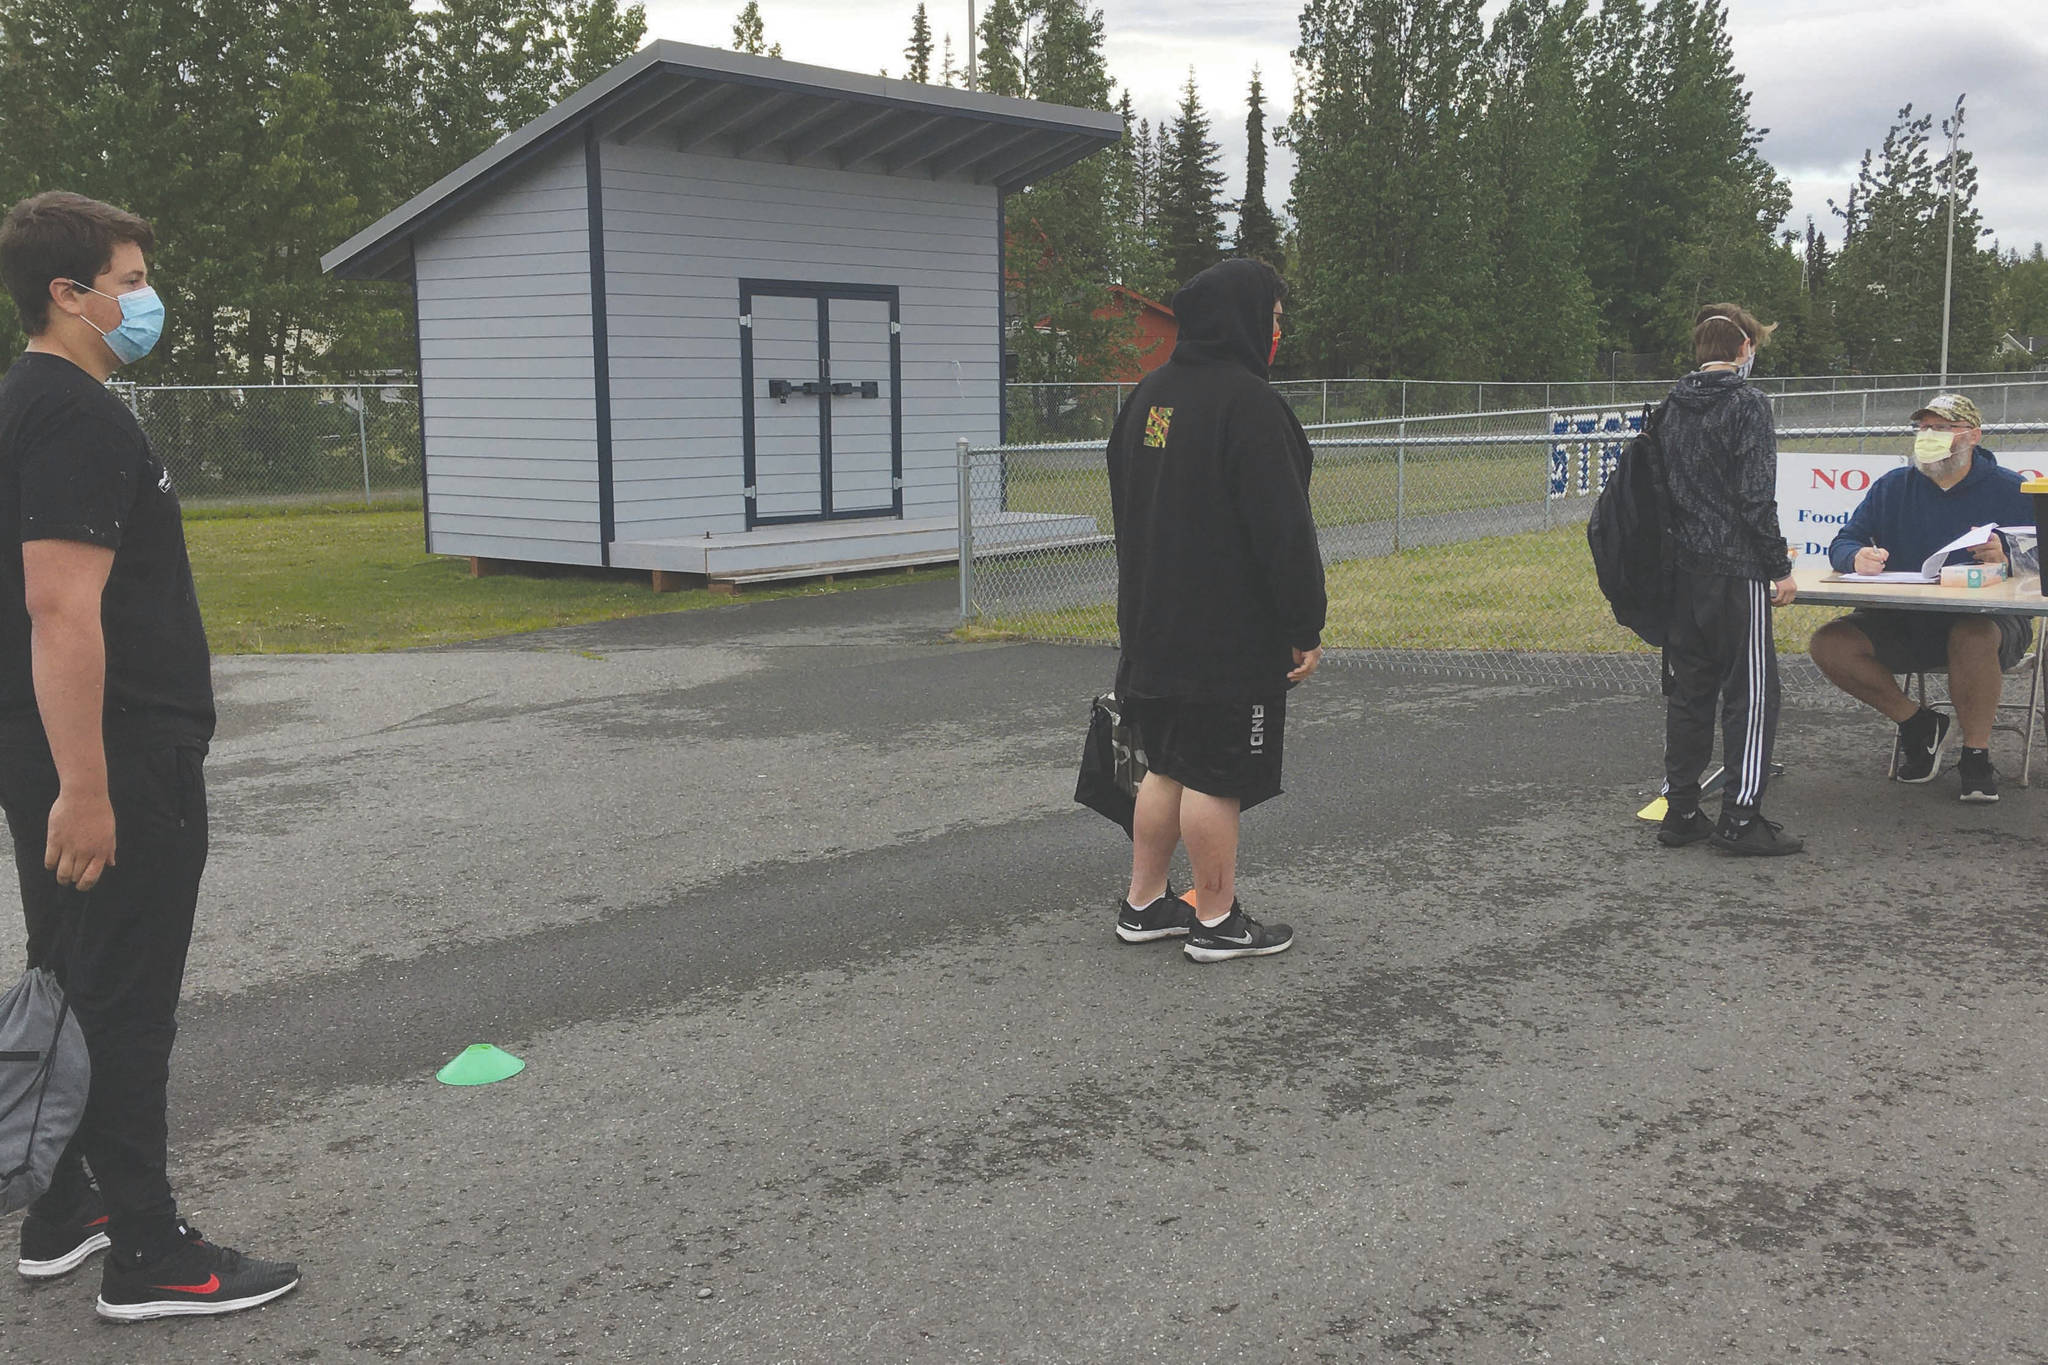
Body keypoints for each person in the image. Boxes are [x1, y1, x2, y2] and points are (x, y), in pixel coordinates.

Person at [0, 192, 299, 1320]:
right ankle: (152, 1254)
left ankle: (63, 1207)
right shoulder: (73, 413)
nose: (144, 298)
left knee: (76, 976)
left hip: (66, 749)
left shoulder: (32, 401)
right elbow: (59, 610)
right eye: (128, 280)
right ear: (68, 294)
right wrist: (86, 787)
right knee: (126, 1001)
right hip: (113, 755)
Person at [1104, 257, 1326, 962]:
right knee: (1215, 775)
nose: (1278, 332)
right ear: (1246, 318)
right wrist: (1303, 623)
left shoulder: (1146, 396)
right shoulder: (1250, 405)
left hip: (1150, 628)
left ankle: (1144, 902)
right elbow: (1284, 530)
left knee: (1165, 765)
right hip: (1225, 635)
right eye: (1276, 319)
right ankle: (1217, 917)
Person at [1810, 393, 2036, 802]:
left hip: (1992, 622)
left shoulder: (2011, 488)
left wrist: (2009, 555)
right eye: (1924, 428)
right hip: (1906, 619)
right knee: (1829, 643)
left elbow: (2039, 558)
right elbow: (1845, 541)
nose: (1929, 436)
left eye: (1942, 428)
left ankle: (1976, 754)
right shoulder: (1894, 486)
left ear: (1972, 436)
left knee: (1972, 635)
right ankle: (1917, 723)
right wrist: (1856, 557)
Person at [1655, 304, 1802, 855]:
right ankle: (1741, 819)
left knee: (1691, 692)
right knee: (1753, 693)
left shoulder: (1671, 404)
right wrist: (1778, 567)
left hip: (1684, 573)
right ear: (1743, 349)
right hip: (1735, 571)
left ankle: (1682, 811)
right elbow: (1755, 495)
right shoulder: (1748, 403)